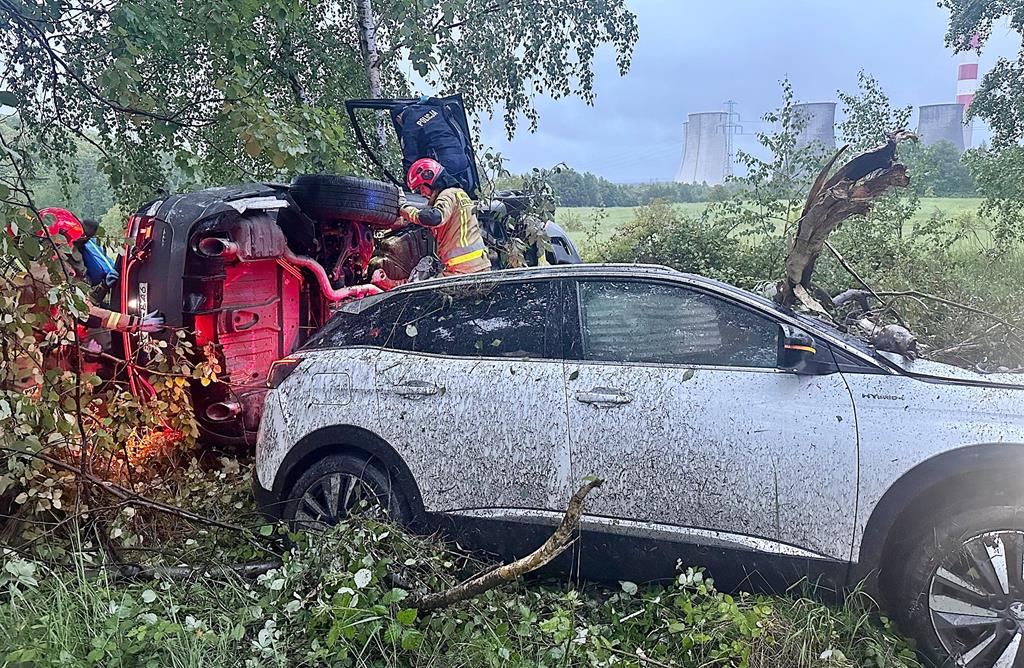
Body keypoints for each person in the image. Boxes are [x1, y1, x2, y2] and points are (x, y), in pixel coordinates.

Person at [373, 158, 491, 290]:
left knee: (420, 293)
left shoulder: (447, 194)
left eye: (421, 188)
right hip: (479, 267)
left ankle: (398, 287)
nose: (423, 194)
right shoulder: (461, 195)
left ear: (430, 178)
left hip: (462, 270)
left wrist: (405, 210)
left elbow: (435, 218)